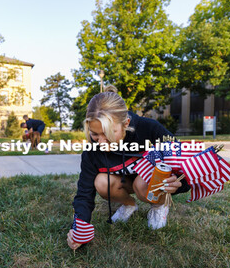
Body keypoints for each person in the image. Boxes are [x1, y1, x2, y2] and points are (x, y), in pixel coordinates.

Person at [67, 91, 190, 250]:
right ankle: (129, 204)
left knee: (141, 183)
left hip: (148, 183)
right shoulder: (91, 151)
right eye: (95, 134)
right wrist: (78, 228)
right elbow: (84, 194)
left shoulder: (151, 129)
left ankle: (159, 206)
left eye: (109, 134)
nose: (102, 143)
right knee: (101, 181)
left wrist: (178, 184)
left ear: (126, 123)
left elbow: (186, 166)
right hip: (123, 183)